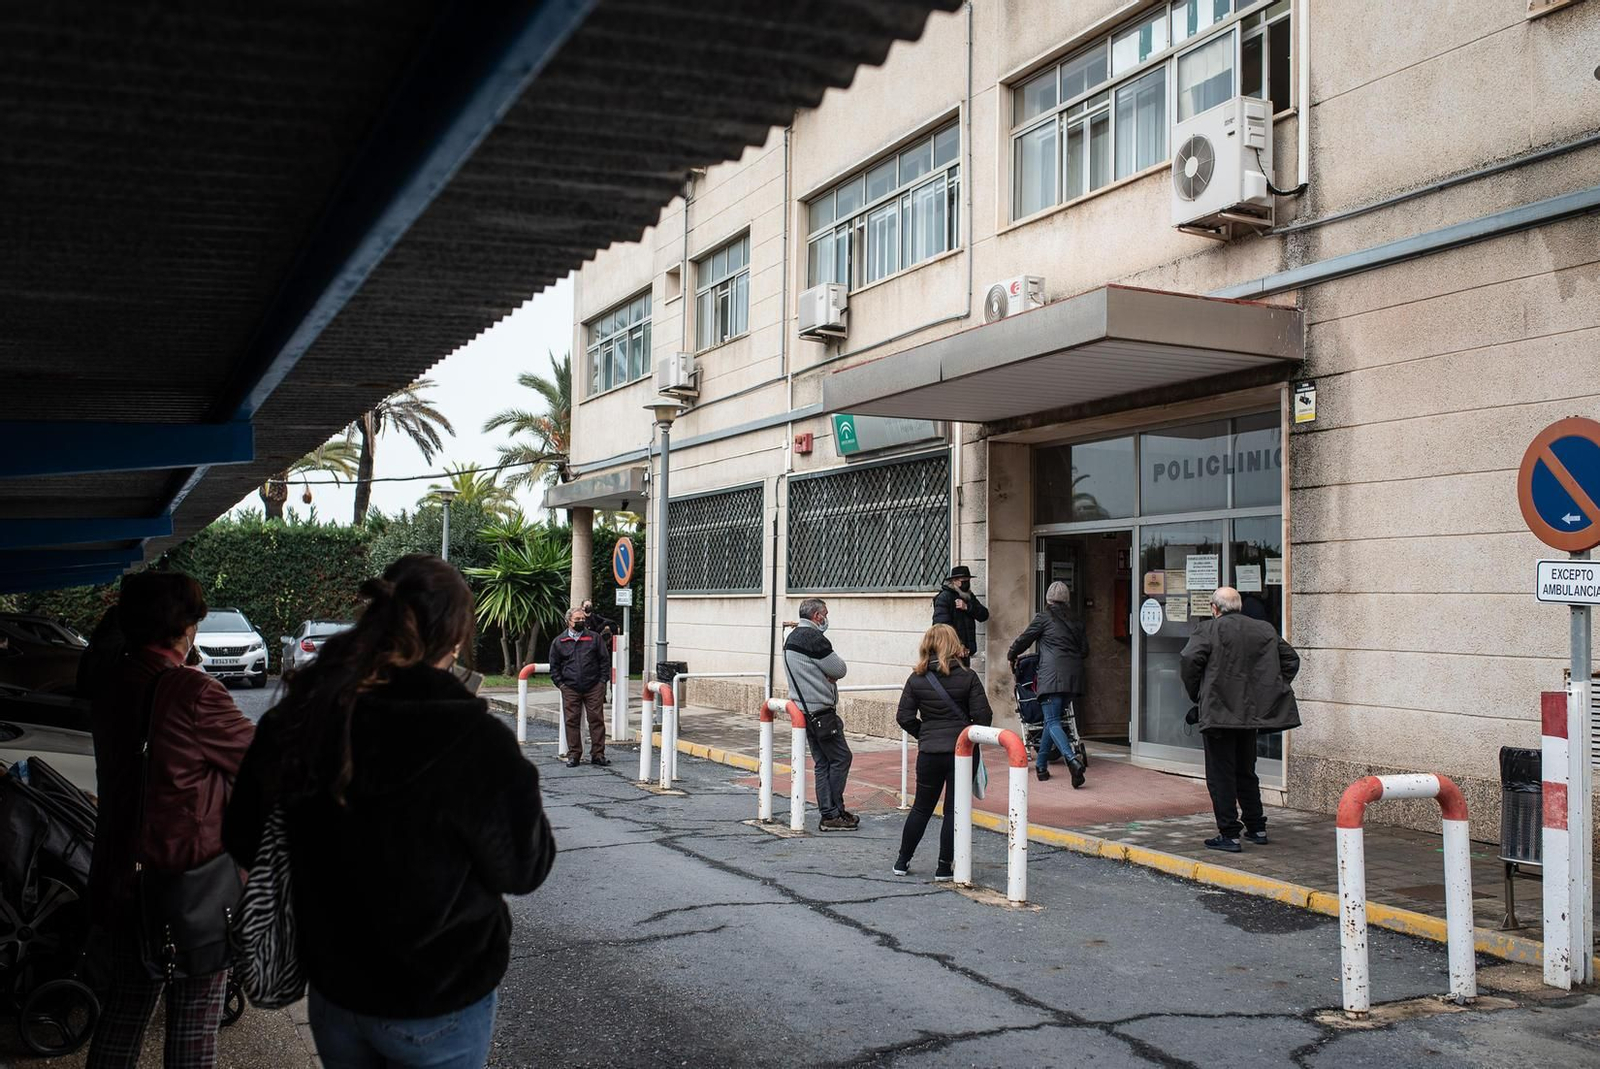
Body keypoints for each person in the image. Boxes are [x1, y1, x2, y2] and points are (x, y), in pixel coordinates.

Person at [223, 554, 555, 1069]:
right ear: (456, 637)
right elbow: (524, 868)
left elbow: (244, 837)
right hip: (438, 998)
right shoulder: (475, 739)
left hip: (336, 992)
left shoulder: (302, 716)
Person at [86, 572, 255, 1069]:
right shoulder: (190, 691)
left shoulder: (115, 680)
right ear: (186, 626)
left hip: (121, 876)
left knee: (123, 1016)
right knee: (193, 1029)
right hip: (188, 891)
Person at [1180, 585, 1301, 853]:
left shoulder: (1208, 630)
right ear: (1240, 607)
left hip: (1219, 714)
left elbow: (1189, 660)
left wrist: (1198, 694)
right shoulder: (1263, 629)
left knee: (1220, 775)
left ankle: (1229, 833)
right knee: (1246, 771)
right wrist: (1269, 688)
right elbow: (1291, 660)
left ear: (1214, 608)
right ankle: (1256, 827)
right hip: (1249, 715)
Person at [894, 624, 993, 880]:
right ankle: (943, 866)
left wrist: (924, 733)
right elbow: (984, 717)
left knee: (921, 808)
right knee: (953, 810)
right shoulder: (968, 677)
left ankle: (902, 861)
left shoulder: (916, 678)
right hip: (961, 752)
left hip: (929, 752)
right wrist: (965, 733)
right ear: (953, 645)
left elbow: (904, 717)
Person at [783, 598, 856, 831]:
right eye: (825, 613)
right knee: (841, 758)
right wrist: (828, 675)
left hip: (804, 710)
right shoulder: (813, 638)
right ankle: (832, 814)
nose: (826, 618)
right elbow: (839, 669)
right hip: (821, 711)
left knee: (823, 762)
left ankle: (831, 812)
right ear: (817, 616)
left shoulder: (792, 637)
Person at [1007, 581, 1088, 789]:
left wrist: (1011, 655)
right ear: (1067, 600)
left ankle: (1072, 760)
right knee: (1050, 721)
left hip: (1051, 676)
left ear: (1048, 599)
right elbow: (1085, 650)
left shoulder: (1044, 617)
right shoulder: (1077, 619)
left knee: (1052, 721)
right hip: (1073, 679)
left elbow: (1025, 639)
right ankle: (1041, 767)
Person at [549, 605, 610, 767]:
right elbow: (554, 666)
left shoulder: (594, 638)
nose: (581, 621)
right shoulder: (559, 641)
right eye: (577, 619)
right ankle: (574, 755)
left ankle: (598, 754)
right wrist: (561, 684)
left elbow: (604, 661)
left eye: (583, 619)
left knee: (596, 720)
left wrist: (602, 682)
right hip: (570, 687)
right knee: (571, 721)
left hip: (594, 686)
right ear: (568, 621)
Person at [931, 565, 989, 666]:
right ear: (955, 581)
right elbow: (942, 627)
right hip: (950, 652)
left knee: (965, 674)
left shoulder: (968, 596)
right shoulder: (944, 597)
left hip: (965, 652)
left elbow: (984, 615)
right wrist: (958, 645)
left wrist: (967, 607)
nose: (967, 583)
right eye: (964, 581)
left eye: (968, 580)